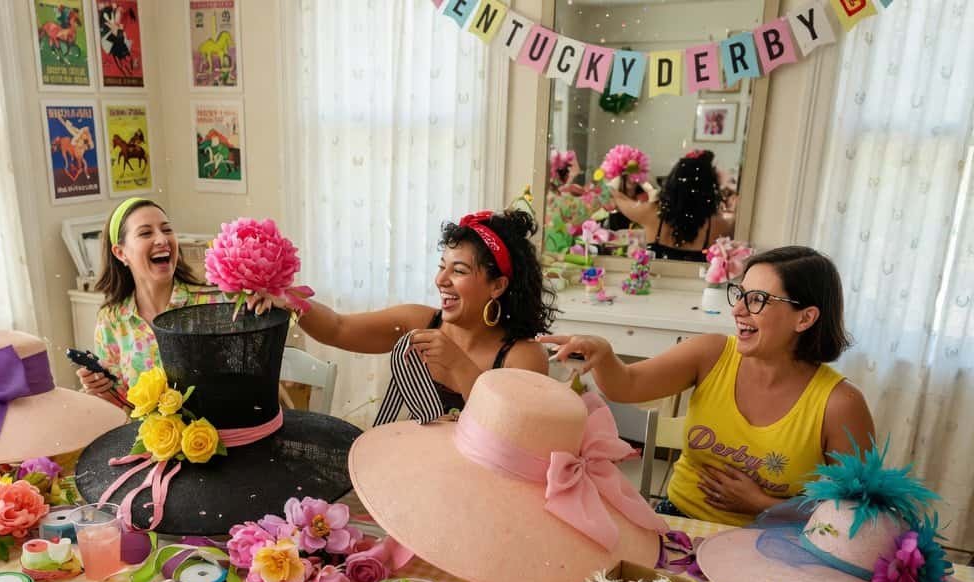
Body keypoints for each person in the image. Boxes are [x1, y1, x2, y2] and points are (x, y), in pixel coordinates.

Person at [540, 246, 875, 527]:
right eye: (740, 293)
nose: (738, 309)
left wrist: (762, 504)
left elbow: (855, 513)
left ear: (805, 318)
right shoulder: (712, 353)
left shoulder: (840, 405)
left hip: (773, 543)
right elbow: (627, 385)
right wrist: (604, 355)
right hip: (680, 521)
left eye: (757, 299)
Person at [259, 209, 557, 412]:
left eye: (460, 270)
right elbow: (339, 328)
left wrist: (459, 366)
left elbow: (512, 437)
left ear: (497, 286)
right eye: (442, 267)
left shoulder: (523, 357)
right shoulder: (421, 322)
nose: (441, 280)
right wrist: (290, 299)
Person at [77, 198, 218, 408]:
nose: (162, 239)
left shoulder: (211, 303)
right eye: (145, 233)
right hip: (143, 438)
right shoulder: (111, 320)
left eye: (167, 230)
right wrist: (99, 390)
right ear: (120, 253)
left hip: (214, 435)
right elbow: (122, 406)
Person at [611, 150, 732, 262]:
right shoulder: (719, 225)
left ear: (672, 183)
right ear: (710, 187)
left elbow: (620, 200)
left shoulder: (652, 213)